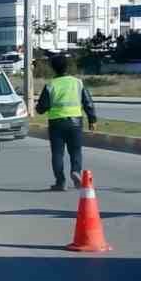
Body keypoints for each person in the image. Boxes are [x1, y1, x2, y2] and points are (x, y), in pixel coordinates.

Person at [35, 55, 97, 190]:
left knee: (57, 153)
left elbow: (41, 108)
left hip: (56, 123)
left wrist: (40, 108)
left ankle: (60, 182)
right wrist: (92, 120)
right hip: (75, 122)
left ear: (53, 68)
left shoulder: (50, 85)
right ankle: (75, 171)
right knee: (76, 151)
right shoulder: (77, 82)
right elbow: (88, 103)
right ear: (67, 67)